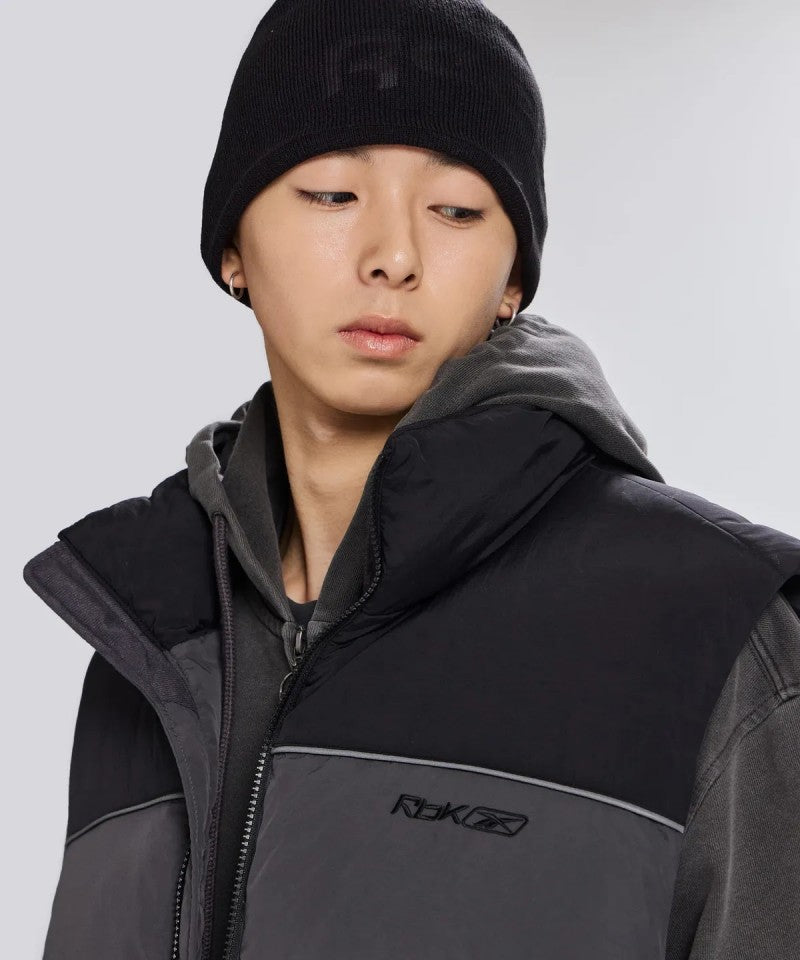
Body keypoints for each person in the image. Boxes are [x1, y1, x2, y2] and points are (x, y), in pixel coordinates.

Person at [22, 1, 800, 958]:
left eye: (457, 210)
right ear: (232, 250)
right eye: (331, 194)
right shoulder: (145, 642)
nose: (393, 257)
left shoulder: (712, 630)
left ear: (513, 278)